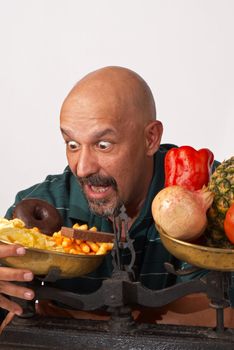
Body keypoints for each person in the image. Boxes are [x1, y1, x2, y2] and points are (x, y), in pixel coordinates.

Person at [0, 66, 233, 327]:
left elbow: (220, 319)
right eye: (72, 145)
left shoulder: (216, 197)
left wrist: (71, 315)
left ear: (150, 138)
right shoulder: (43, 206)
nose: (83, 167)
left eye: (103, 145)